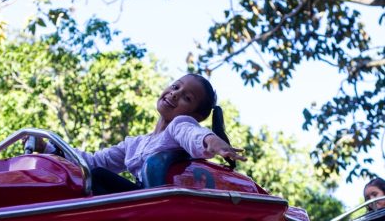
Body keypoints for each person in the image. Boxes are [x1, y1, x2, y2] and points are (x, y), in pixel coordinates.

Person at [37, 74, 246, 195]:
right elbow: (91, 161)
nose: (174, 94)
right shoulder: (135, 144)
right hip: (138, 199)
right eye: (175, 86)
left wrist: (211, 142)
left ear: (197, 115)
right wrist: (48, 149)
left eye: (186, 97)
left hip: (151, 203)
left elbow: (191, 133)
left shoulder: (177, 127)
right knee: (93, 172)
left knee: (98, 178)